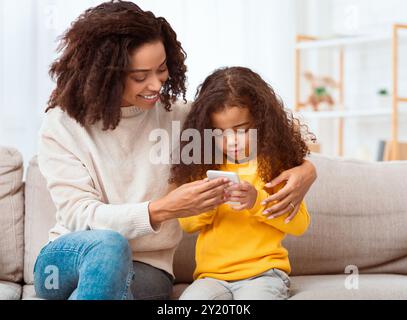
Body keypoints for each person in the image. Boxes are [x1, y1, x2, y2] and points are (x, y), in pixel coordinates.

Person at [33, 1, 317, 300]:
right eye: (140, 76)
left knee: (114, 288)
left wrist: (307, 170)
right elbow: (79, 216)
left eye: (162, 69)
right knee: (109, 246)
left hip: (146, 267)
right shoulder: (62, 125)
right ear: (104, 75)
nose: (156, 85)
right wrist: (163, 209)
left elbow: (265, 123)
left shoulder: (182, 118)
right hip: (69, 259)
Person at [171, 67, 313, 300]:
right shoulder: (202, 168)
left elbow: (299, 225)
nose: (231, 142)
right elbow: (188, 225)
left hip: (263, 274)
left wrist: (256, 201)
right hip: (211, 277)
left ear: (263, 122)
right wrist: (208, 203)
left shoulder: (276, 166)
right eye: (220, 133)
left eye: (241, 130)